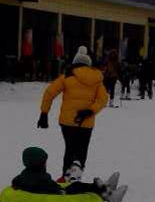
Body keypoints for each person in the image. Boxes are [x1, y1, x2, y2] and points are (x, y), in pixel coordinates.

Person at [38, 46, 109, 178]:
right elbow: (103, 99)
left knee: (70, 148)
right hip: (86, 121)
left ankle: (66, 174)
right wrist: (90, 111)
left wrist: (44, 113)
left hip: (68, 121)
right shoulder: (97, 79)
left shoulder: (67, 76)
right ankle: (77, 169)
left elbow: (49, 93)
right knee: (82, 149)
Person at [12, 147, 127, 202]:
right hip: (60, 195)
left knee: (76, 185)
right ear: (39, 164)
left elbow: (16, 181)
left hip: (56, 191)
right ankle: (110, 196)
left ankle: (106, 188)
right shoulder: (41, 178)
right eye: (44, 162)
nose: (46, 164)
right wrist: (60, 190)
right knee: (78, 186)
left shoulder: (25, 174)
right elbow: (49, 189)